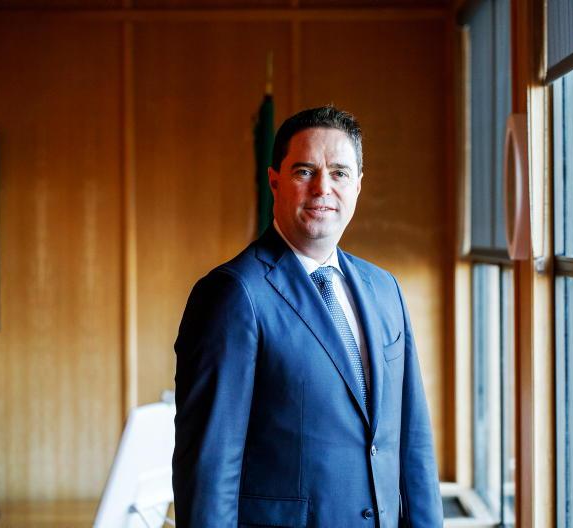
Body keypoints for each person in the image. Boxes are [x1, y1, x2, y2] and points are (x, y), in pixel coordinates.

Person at [172, 106, 443, 527]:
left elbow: (414, 444)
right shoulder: (233, 294)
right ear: (274, 182)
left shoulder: (384, 288)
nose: (323, 188)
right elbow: (209, 471)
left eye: (339, 173)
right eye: (304, 171)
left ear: (358, 185)